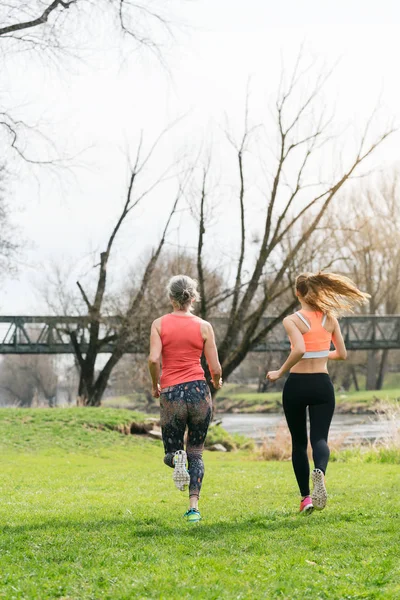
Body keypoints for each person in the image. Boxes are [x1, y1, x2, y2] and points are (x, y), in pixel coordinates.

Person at [267, 272, 369, 515]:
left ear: (297, 293)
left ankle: (306, 499)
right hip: (322, 384)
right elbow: (342, 354)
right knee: (320, 439)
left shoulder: (292, 320)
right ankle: (320, 471)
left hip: (297, 385)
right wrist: (322, 353)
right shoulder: (330, 319)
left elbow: (299, 349)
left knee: (299, 444)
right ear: (319, 292)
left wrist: (280, 371)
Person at [148, 274, 222, 523]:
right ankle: (194, 509)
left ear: (171, 298)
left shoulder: (159, 324)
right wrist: (216, 380)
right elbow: (215, 366)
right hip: (199, 391)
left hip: (172, 393)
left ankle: (177, 459)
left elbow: (153, 359)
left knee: (172, 452)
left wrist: (155, 383)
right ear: (193, 297)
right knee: (197, 454)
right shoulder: (204, 326)